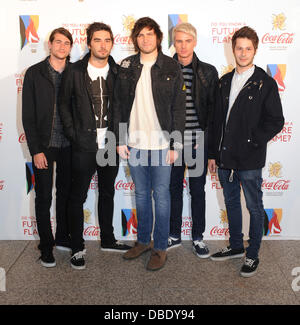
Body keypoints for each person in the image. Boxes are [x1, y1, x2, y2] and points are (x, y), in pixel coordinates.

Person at [208, 26, 284, 277]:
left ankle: (252, 254)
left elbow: (276, 121)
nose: (243, 53)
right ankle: (236, 245)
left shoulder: (266, 82)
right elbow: (216, 120)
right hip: (224, 157)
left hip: (250, 159)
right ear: (233, 50)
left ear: (255, 50)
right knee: (231, 203)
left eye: (248, 48)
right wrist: (212, 153)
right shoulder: (224, 81)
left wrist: (253, 140)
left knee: (253, 206)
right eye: (239, 48)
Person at [113, 17, 186, 271]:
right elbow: (119, 105)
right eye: (140, 35)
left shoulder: (171, 66)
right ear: (135, 39)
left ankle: (160, 248)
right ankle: (143, 241)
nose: (145, 39)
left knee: (162, 198)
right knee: (142, 195)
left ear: (158, 38)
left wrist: (176, 145)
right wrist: (120, 139)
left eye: (150, 34)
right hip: (134, 144)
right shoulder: (126, 66)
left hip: (162, 145)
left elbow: (179, 107)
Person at [59, 22, 130, 270]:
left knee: (108, 192)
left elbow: (123, 108)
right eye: (97, 40)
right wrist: (73, 134)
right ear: (88, 43)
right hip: (83, 144)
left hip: (110, 142)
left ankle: (108, 239)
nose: (103, 45)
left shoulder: (119, 72)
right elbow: (64, 106)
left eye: (107, 40)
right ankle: (77, 247)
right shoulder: (75, 71)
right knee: (77, 196)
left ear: (112, 43)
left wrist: (120, 138)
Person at [22, 27, 73, 267]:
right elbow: (28, 116)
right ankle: (46, 246)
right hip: (44, 146)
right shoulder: (34, 73)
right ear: (50, 45)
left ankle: (63, 237)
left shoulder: (76, 72)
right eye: (58, 42)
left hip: (69, 146)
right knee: (43, 197)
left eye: (67, 44)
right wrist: (35, 150)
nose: (62, 47)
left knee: (65, 195)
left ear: (70, 48)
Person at [168, 23, 218, 258]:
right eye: (179, 41)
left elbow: (214, 113)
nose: (183, 45)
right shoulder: (164, 70)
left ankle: (198, 237)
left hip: (198, 142)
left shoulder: (208, 72)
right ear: (174, 43)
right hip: (174, 143)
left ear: (195, 42)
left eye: (187, 41)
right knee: (173, 189)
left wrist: (209, 146)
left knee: (198, 190)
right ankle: (173, 235)